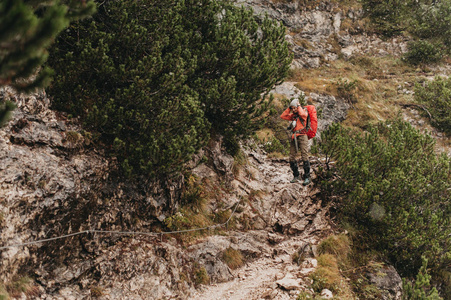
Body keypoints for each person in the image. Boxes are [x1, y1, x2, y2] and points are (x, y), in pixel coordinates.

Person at [280, 98, 311, 185]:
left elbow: (303, 115)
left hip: (302, 136)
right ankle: (296, 176)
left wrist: (298, 106)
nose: (293, 110)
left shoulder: (304, 111)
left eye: (294, 108)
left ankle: (307, 177)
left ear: (298, 106)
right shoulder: (293, 116)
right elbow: (283, 116)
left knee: (304, 156)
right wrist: (289, 108)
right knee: (291, 157)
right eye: (292, 108)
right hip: (294, 137)